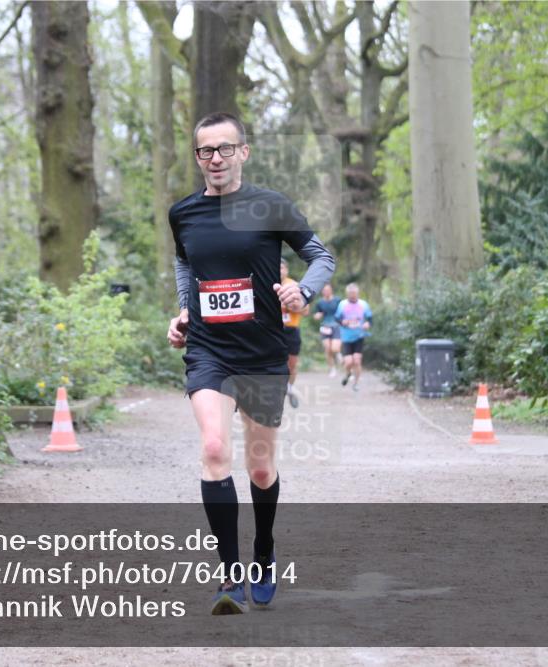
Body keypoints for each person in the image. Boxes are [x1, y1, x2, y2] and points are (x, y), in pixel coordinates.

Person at [167, 112, 335, 614]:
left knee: (261, 469)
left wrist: (302, 291)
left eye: (224, 149)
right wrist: (183, 309)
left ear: (244, 151)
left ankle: (263, 552)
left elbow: (321, 256)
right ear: (197, 157)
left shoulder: (270, 205)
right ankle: (229, 578)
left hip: (262, 352)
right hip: (208, 349)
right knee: (215, 447)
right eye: (204, 151)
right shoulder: (184, 213)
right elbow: (184, 263)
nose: (214, 159)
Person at [280, 258, 309, 408]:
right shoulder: (265, 282)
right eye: (277, 267)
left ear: (287, 270)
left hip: (291, 329)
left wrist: (292, 306)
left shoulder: (294, 286)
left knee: (292, 364)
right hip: (272, 330)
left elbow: (306, 310)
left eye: (282, 268)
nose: (279, 271)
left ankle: (290, 387)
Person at [334, 283, 372, 392]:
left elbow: (370, 318)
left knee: (357, 360)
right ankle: (347, 374)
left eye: (354, 293)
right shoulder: (342, 304)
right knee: (349, 362)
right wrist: (343, 322)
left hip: (359, 336)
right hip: (346, 337)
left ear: (357, 293)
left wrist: (367, 324)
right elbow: (337, 318)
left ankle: (356, 383)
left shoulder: (363, 304)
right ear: (347, 294)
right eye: (350, 293)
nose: (352, 296)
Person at [312, 283, 342, 377]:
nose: (326, 292)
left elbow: (343, 311)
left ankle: (338, 354)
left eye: (328, 290)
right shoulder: (320, 302)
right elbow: (316, 314)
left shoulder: (338, 300)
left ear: (331, 290)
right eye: (324, 291)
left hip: (336, 325)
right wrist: (317, 316)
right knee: (328, 349)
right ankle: (332, 369)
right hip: (325, 326)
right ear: (322, 292)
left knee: (334, 348)